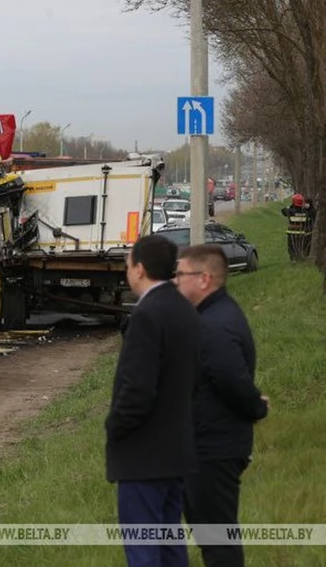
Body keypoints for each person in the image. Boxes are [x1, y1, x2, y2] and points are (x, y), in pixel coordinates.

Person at [106, 234, 200, 567]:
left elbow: (137, 390)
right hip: (176, 452)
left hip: (144, 456)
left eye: (128, 264)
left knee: (144, 550)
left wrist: (114, 428)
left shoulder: (147, 316)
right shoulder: (183, 309)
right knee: (170, 545)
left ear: (140, 269)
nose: (126, 270)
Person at [174, 244, 269, 567]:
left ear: (204, 279)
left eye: (181, 274)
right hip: (207, 444)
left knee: (218, 542)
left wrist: (256, 407)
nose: (176, 281)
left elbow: (230, 378)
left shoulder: (214, 324)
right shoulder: (213, 314)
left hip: (213, 449)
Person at [281, 194, 315, 261]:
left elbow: (283, 211)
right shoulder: (305, 211)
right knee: (302, 247)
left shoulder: (290, 211)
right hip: (302, 233)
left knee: (291, 247)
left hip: (291, 233)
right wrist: (310, 207)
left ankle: (293, 260)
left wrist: (290, 206)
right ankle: (302, 258)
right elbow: (312, 214)